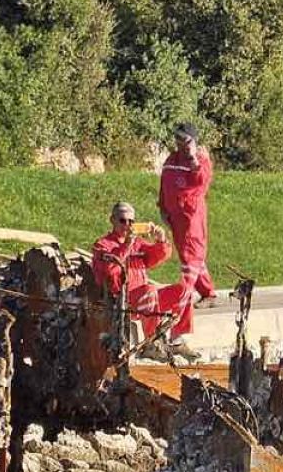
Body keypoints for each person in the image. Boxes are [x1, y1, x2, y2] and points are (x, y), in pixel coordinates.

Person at [158, 123, 216, 334]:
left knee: (192, 255)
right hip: (175, 217)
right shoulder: (171, 160)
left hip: (192, 216)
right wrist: (162, 207)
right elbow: (164, 183)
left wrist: (193, 158)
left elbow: (202, 182)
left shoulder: (200, 159)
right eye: (178, 139)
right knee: (187, 255)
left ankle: (183, 297)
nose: (180, 143)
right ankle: (208, 293)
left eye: (185, 140)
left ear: (193, 140)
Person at [90, 201, 174, 339]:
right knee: (149, 291)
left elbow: (156, 258)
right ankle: (152, 341)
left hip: (145, 299)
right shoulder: (102, 245)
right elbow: (110, 271)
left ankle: (178, 340)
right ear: (112, 220)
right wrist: (126, 246)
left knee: (183, 292)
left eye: (131, 222)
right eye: (122, 221)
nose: (127, 225)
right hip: (121, 302)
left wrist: (162, 241)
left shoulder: (138, 243)